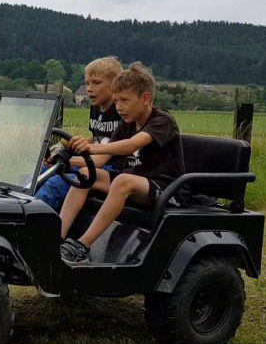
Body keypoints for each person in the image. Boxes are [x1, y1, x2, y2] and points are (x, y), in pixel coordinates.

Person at [59, 62, 185, 263]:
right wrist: (65, 161)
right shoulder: (127, 123)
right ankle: (58, 236)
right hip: (134, 183)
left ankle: (81, 245)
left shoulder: (162, 121)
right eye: (116, 101)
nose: (119, 107)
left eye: (124, 100)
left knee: (123, 181)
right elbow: (99, 161)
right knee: (85, 174)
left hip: (166, 189)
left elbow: (130, 146)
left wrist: (90, 146)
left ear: (146, 98)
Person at [35, 56, 125, 210]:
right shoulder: (95, 108)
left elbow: (101, 159)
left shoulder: (123, 112)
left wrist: (62, 160)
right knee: (38, 173)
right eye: (87, 83)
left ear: (115, 84)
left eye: (96, 83)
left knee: (54, 184)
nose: (89, 88)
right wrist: (68, 145)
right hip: (93, 163)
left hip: (111, 169)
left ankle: (33, 224)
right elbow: (98, 138)